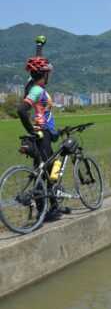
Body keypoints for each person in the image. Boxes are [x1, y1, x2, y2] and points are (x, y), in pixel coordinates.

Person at [17, 56, 63, 221]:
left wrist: (39, 48)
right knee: (48, 170)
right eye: (47, 72)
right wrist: (33, 130)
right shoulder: (36, 90)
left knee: (46, 170)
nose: (49, 75)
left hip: (46, 134)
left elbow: (35, 68)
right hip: (42, 134)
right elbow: (22, 110)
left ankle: (51, 207)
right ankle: (47, 210)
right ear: (44, 74)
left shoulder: (37, 87)